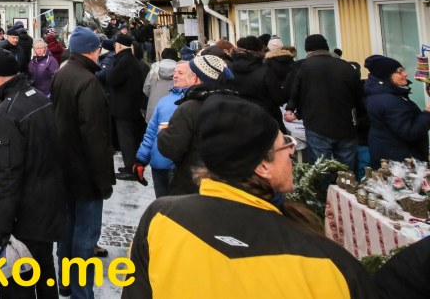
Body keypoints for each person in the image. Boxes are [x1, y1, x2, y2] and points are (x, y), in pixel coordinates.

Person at [125, 95, 376, 298]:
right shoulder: (329, 263)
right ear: (262, 166)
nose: (291, 152)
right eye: (285, 144)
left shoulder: (162, 218)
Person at [0, 47, 66, 298]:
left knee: (20, 281)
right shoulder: (38, 97)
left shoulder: (8, 112)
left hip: (27, 211)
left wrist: (2, 224)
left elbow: (8, 174)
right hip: (49, 201)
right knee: (45, 272)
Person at [50, 27, 113, 299]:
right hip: (85, 172)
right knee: (86, 236)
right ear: (92, 50)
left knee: (67, 229)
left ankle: (65, 282)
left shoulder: (62, 74)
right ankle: (81, 292)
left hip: (63, 166)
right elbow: (96, 136)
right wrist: (103, 180)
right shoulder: (89, 82)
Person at [155, 54, 234, 195]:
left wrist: (164, 133)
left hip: (193, 184)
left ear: (196, 78)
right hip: (228, 186)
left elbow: (171, 148)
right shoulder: (237, 104)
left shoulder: (190, 107)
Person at [286, 34, 364, 173]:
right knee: (345, 169)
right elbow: (358, 95)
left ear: (307, 50)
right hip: (345, 123)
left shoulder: (304, 67)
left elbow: (296, 92)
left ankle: (323, 193)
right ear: (326, 48)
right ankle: (345, 190)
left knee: (320, 168)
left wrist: (292, 109)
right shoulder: (345, 66)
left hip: (317, 123)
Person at [133, 60, 193, 198]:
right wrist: (141, 160)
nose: (175, 76)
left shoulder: (193, 102)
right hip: (158, 166)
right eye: (175, 72)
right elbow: (151, 132)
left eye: (180, 73)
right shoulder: (164, 100)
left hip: (180, 169)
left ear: (194, 76)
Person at [363, 55, 430, 164]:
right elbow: (409, 132)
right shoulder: (388, 100)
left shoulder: (385, 94)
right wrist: (427, 113)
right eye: (399, 72)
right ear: (386, 75)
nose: (405, 74)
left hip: (393, 155)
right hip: (400, 163)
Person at [228, 36, 287, 132]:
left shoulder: (229, 70)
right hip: (267, 119)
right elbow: (279, 98)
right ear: (259, 50)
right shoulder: (265, 71)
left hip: (240, 118)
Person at [110, 33, 148, 178]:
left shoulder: (124, 61)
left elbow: (113, 78)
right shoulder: (131, 60)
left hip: (124, 107)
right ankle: (129, 166)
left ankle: (130, 169)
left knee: (126, 139)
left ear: (119, 45)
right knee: (128, 138)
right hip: (130, 105)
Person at [142, 48, 177, 123]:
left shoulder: (154, 69)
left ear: (162, 56)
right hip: (174, 110)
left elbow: (146, 89)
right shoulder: (180, 70)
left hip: (154, 108)